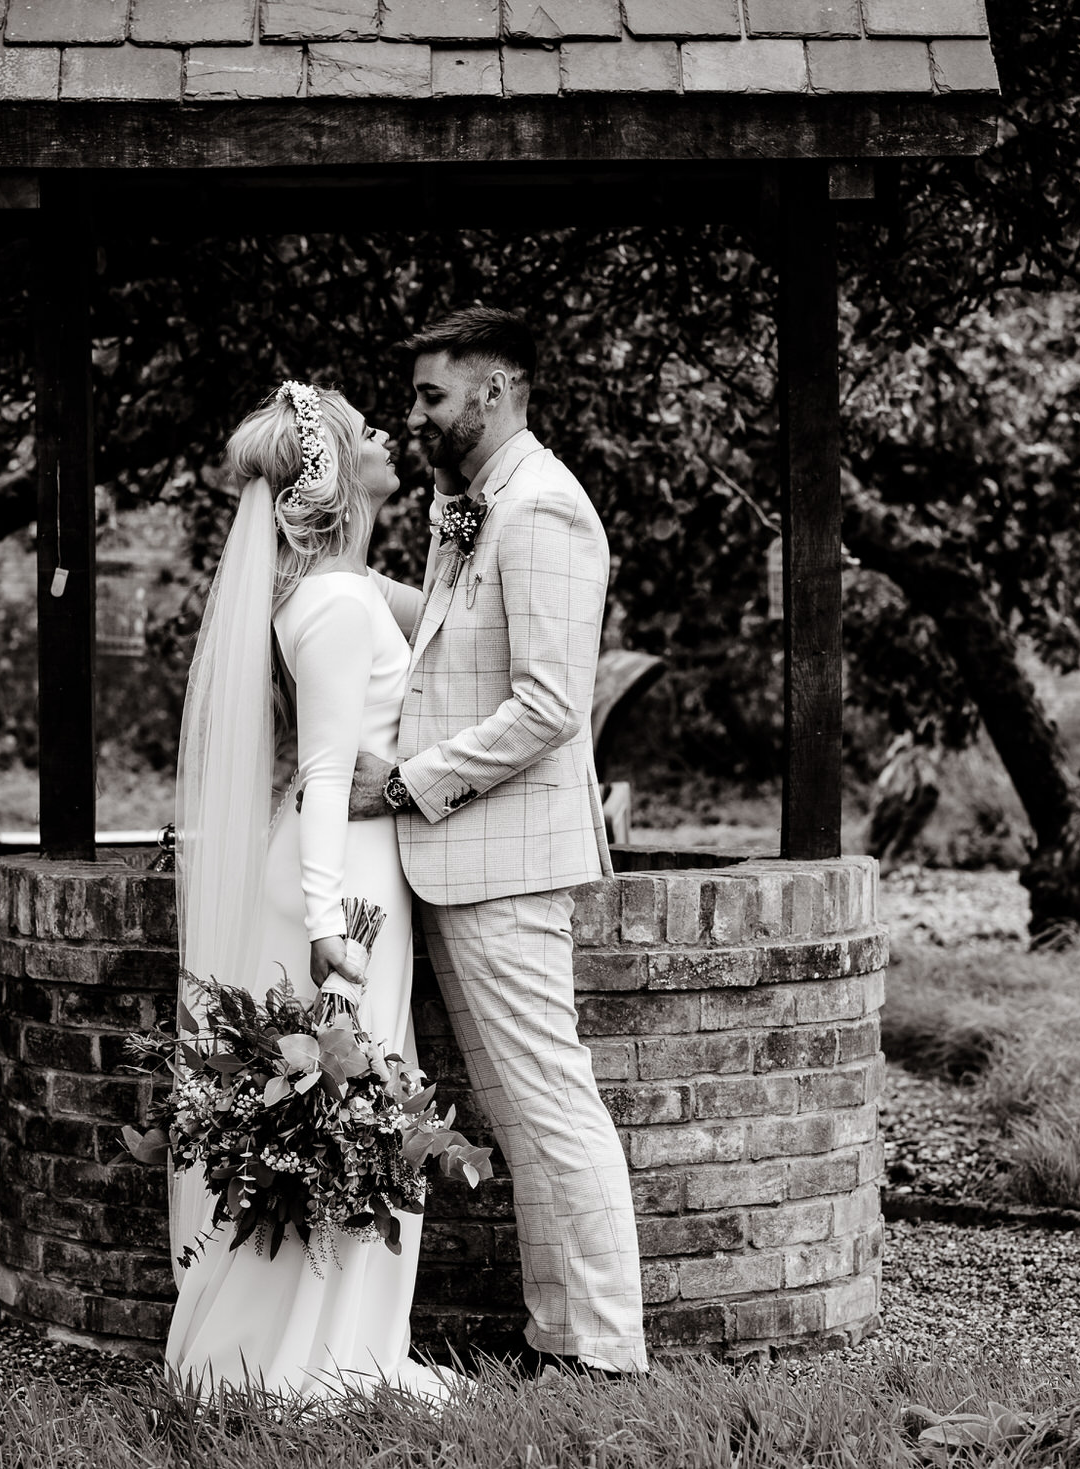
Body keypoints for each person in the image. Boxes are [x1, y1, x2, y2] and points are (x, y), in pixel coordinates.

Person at [347, 307, 648, 1377]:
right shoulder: (468, 507)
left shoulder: (542, 510)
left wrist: (408, 783)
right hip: (466, 859)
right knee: (524, 1113)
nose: (416, 412)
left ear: (498, 388)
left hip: (508, 860)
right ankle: (556, 1336)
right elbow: (442, 639)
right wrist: (328, 582)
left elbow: (549, 703)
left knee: (552, 1103)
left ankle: (606, 1349)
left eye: (433, 394)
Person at [163, 380, 451, 1403]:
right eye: (365, 429)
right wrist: (329, 925)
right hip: (340, 884)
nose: (386, 437)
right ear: (329, 468)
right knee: (334, 1104)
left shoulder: (350, 587)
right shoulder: (330, 603)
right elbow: (327, 769)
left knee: (352, 1102)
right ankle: (294, 1357)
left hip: (359, 869)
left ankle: (353, 1343)